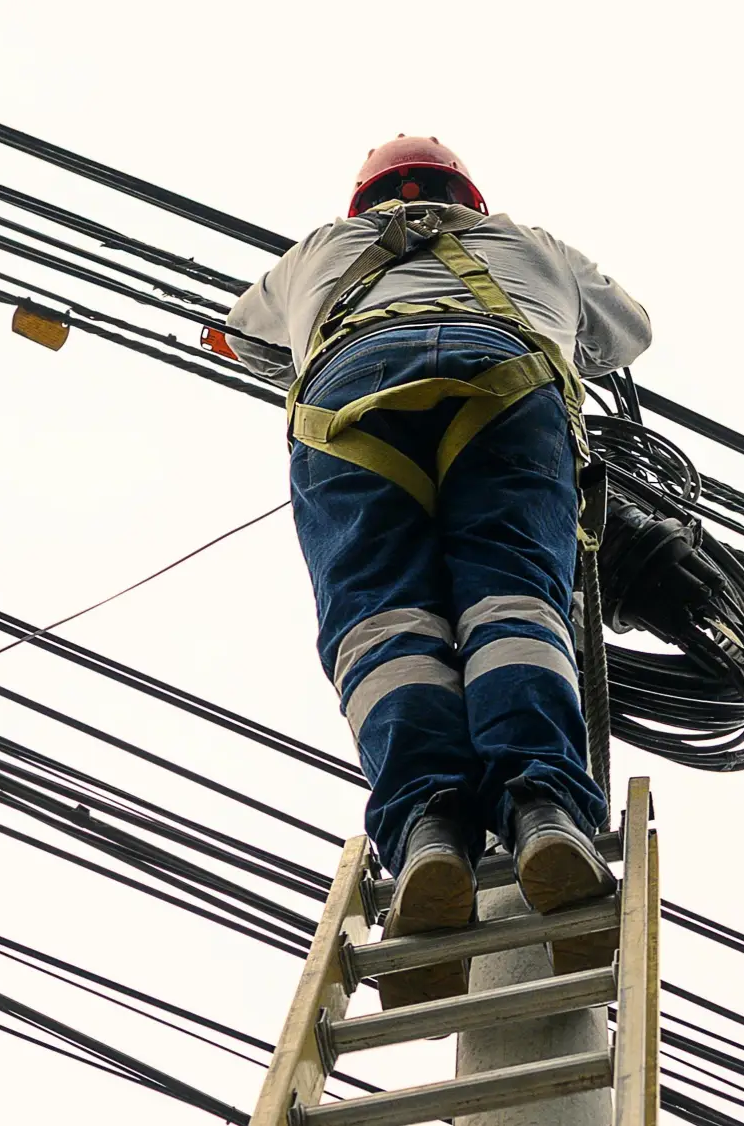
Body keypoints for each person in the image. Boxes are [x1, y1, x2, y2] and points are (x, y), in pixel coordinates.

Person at [227, 136, 652, 1005]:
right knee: (513, 602)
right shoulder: (532, 244)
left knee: (384, 627)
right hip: (506, 382)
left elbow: (244, 341)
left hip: (347, 405)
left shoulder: (317, 252)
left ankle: (427, 831)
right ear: (470, 195)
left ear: (364, 202)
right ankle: (542, 813)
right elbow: (630, 330)